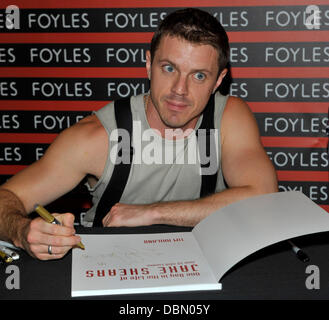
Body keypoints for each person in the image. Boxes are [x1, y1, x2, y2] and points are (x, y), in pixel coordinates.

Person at [0, 8, 277, 260]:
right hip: (105, 266)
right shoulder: (97, 137)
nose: (180, 89)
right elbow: (7, 198)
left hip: (200, 263)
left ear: (218, 80)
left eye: (199, 76)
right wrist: (23, 231)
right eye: (169, 68)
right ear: (148, 64)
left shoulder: (229, 117)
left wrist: (151, 213)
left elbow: (264, 199)